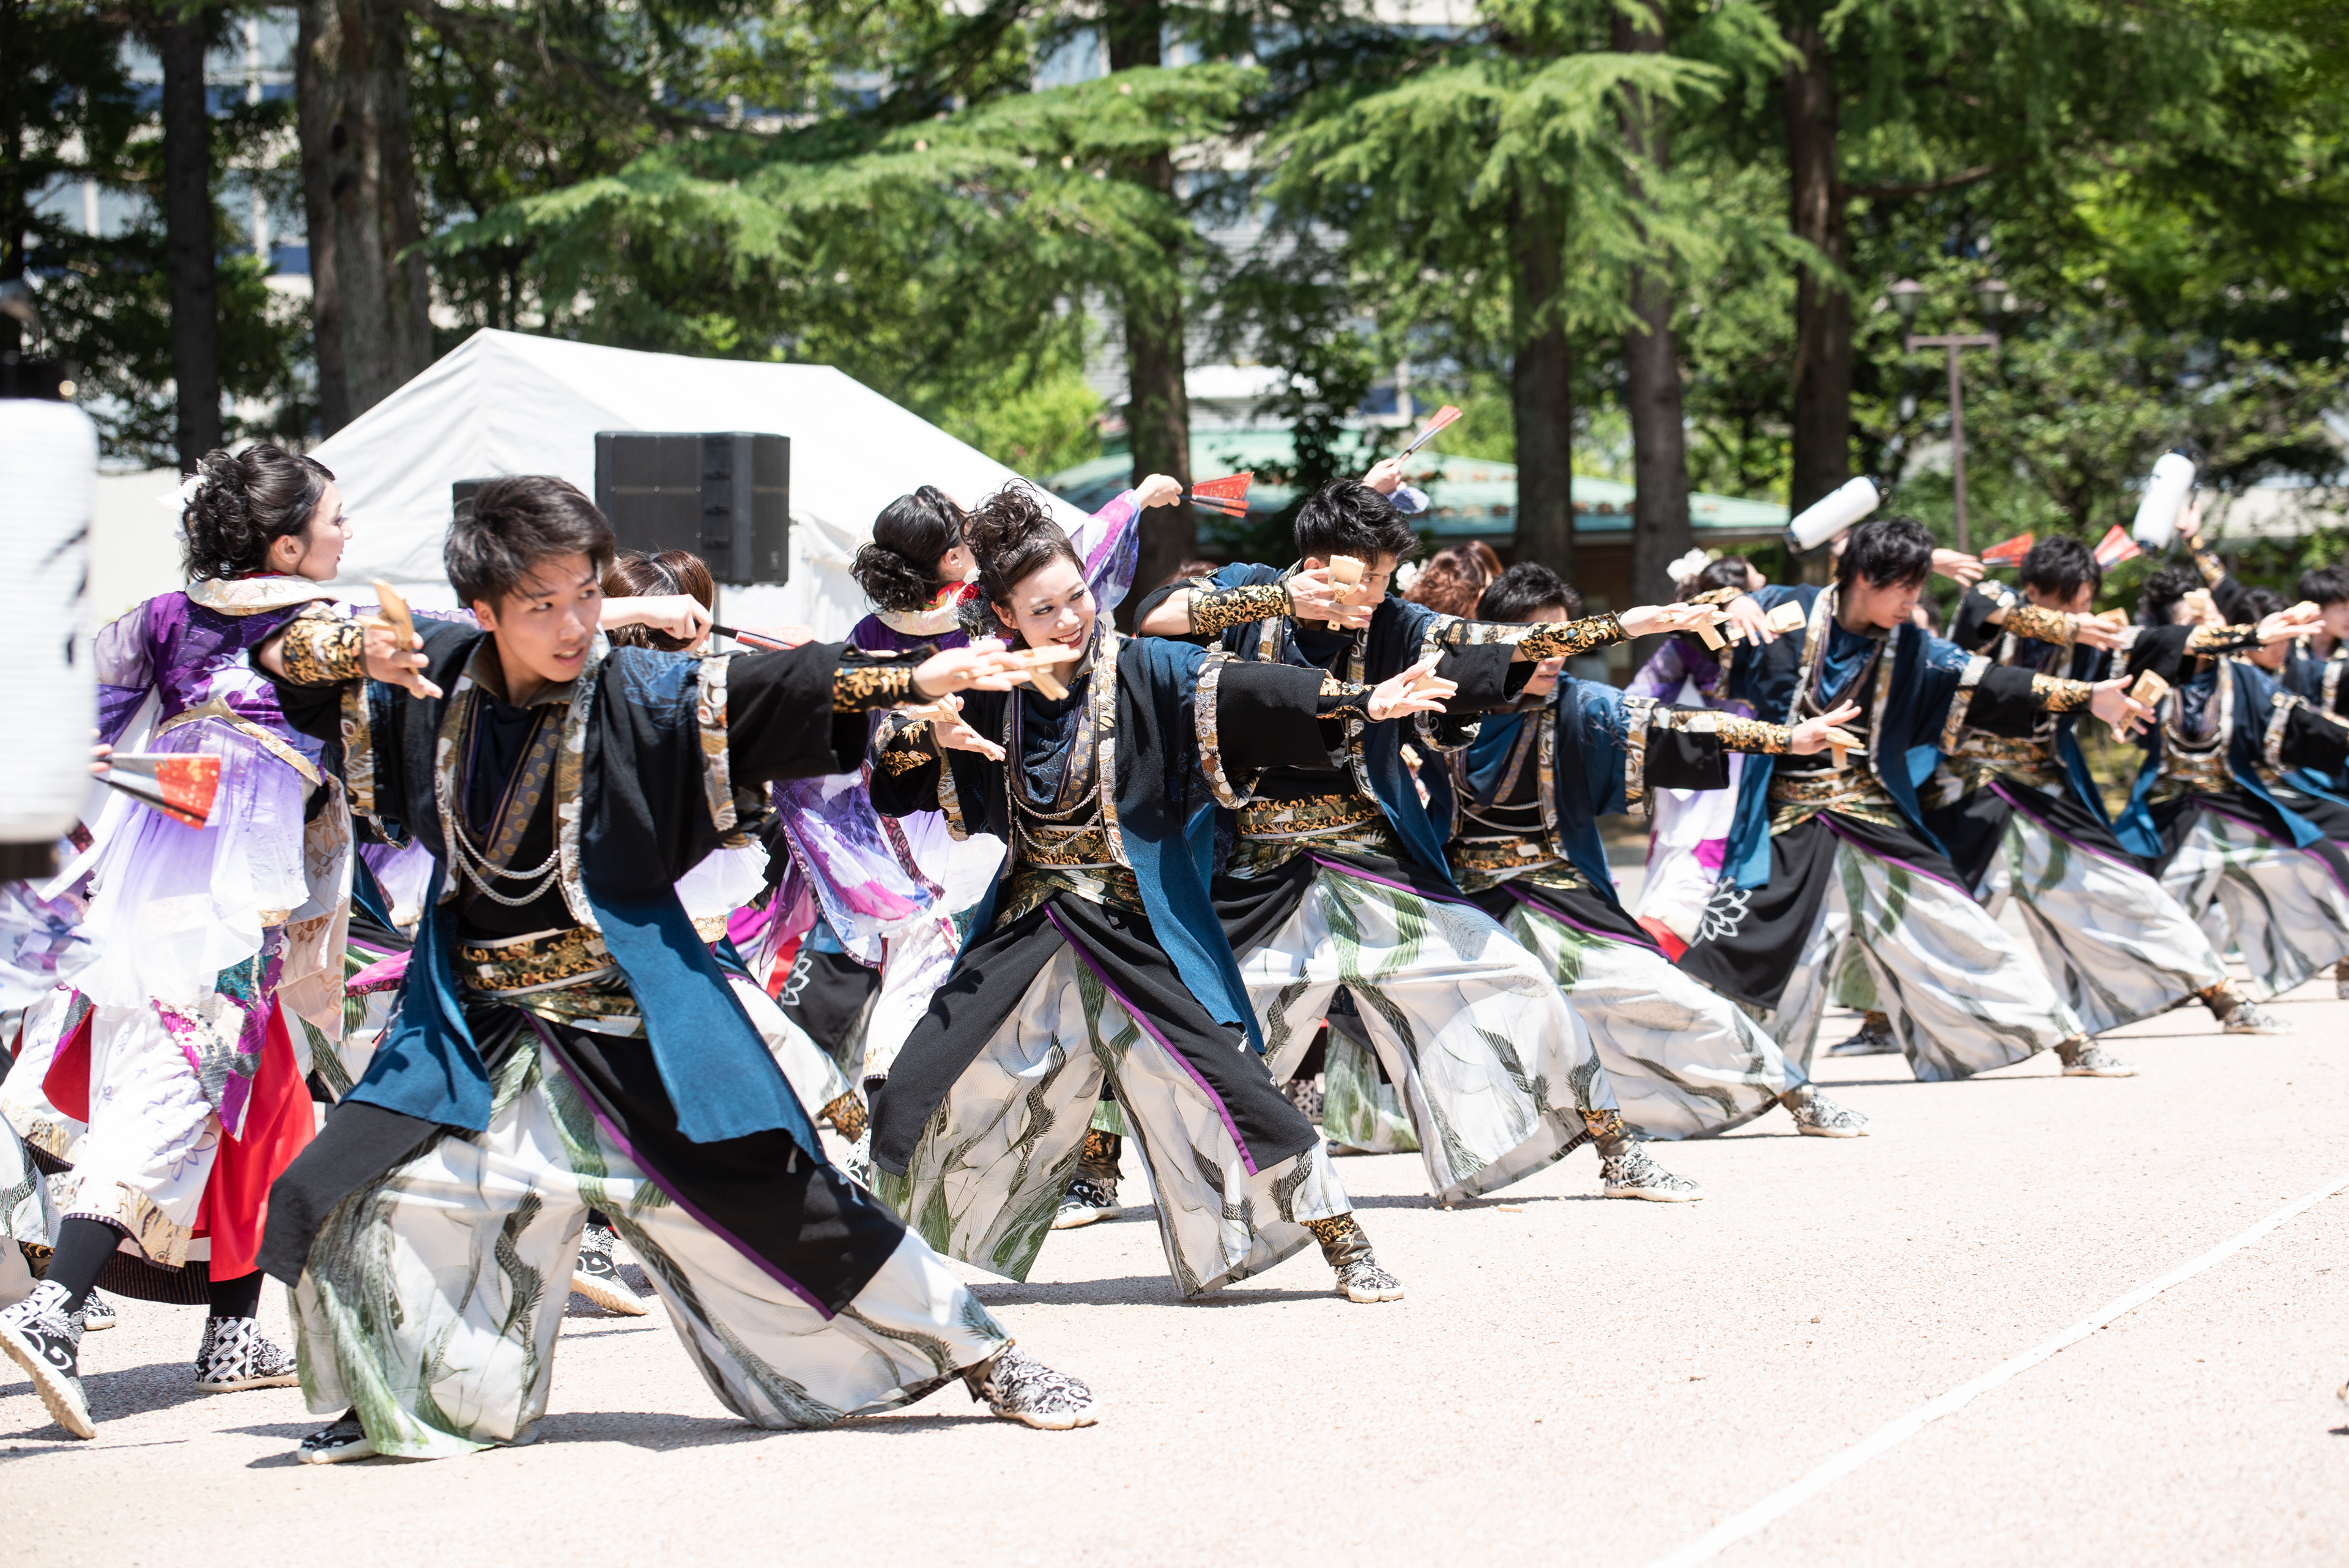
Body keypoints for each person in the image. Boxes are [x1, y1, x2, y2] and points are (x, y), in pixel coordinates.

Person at [246, 475, 1097, 1464]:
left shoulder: (630, 693)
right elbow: (272, 645)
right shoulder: (426, 677)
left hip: (628, 1023)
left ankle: (981, 1354)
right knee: (364, 1192)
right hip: (480, 1033)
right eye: (542, 606)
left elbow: (759, 689)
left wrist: (908, 681)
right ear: (484, 613)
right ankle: (404, 1393)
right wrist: (354, 648)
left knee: (789, 1202)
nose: (573, 626)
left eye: (585, 596)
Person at [867, 484, 1447, 1302]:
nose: (1069, 619)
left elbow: (1249, 689)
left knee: (1224, 1083)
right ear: (1005, 614)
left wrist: (1359, 699)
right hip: (1033, 918)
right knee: (927, 1078)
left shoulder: (1142, 666)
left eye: (1076, 597)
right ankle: (881, 1262)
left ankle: (1340, 1237)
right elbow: (896, 783)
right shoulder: (987, 690)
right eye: (1043, 610)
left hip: (1135, 920)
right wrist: (920, 728)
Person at [1135, 480, 1721, 1205]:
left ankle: (1617, 1152)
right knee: (1189, 1022)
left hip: (1370, 864)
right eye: (1366, 577)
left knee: (1522, 978)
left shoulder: (1395, 626)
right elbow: (1154, 617)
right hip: (1255, 875)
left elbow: (1510, 644)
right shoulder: (1253, 593)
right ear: (1319, 564)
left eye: (1386, 578)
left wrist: (1626, 625)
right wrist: (1281, 602)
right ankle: (1109, 1174)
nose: (1378, 593)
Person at [0, 445, 357, 1436]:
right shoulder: (318, 628)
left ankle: (234, 1331)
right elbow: (466, 641)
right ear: (288, 544)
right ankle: (55, 1308)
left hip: (180, 891)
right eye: (338, 519)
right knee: (168, 1104)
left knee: (266, 1109)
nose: (349, 533)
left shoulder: (163, 616)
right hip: (225, 907)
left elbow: (80, 706)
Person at [1677, 517, 2159, 1082]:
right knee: (1770, 957)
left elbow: (1988, 678)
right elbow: (1692, 627)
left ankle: (2069, 1041)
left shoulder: (1911, 647)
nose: (1913, 601)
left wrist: (2088, 697)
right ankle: (1737, 1083)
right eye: (1903, 586)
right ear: (1863, 575)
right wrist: (1728, 601)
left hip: (1872, 812)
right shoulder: (1789, 611)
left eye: (1918, 587)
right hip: (1790, 818)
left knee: (1959, 923)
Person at [845, 477, 1175, 1228]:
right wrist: (1135, 497)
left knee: (1112, 1028)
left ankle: (1070, 1163)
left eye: (1073, 600)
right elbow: (1080, 557)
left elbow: (1075, 569)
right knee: (974, 1006)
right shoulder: (985, 644)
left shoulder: (877, 634)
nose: (1065, 617)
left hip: (978, 838)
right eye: (963, 539)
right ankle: (908, 1167)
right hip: (975, 832)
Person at [1449, 563, 1872, 1140]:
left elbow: (1676, 720)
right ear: (1496, 639)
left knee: (1663, 993)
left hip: (1559, 891)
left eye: (1562, 637)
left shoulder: (1577, 704)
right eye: (1537, 639)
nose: (1553, 656)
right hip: (1465, 902)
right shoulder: (1444, 703)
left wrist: (1788, 740)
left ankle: (1793, 1088)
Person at [1926, 534, 2285, 1036]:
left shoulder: (2092, 635)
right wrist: (2075, 625)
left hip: (2044, 786)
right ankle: (1894, 1018)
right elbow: (1999, 612)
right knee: (1941, 904)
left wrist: (2248, 636)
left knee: (2126, 886)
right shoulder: (1990, 603)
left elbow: (2164, 642)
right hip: (1964, 785)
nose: (2083, 611)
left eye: (2087, 600)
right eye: (2068, 600)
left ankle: (2219, 992)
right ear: (2033, 587)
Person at [2112, 580, 2349, 1003]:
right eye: (2194, 622)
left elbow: (2297, 724)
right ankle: (2162, 986)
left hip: (2235, 800)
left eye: (2213, 618)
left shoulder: (2242, 676)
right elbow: (2125, 726)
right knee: (2128, 890)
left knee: (2322, 860)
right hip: (2169, 807)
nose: (2208, 626)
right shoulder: (2149, 678)